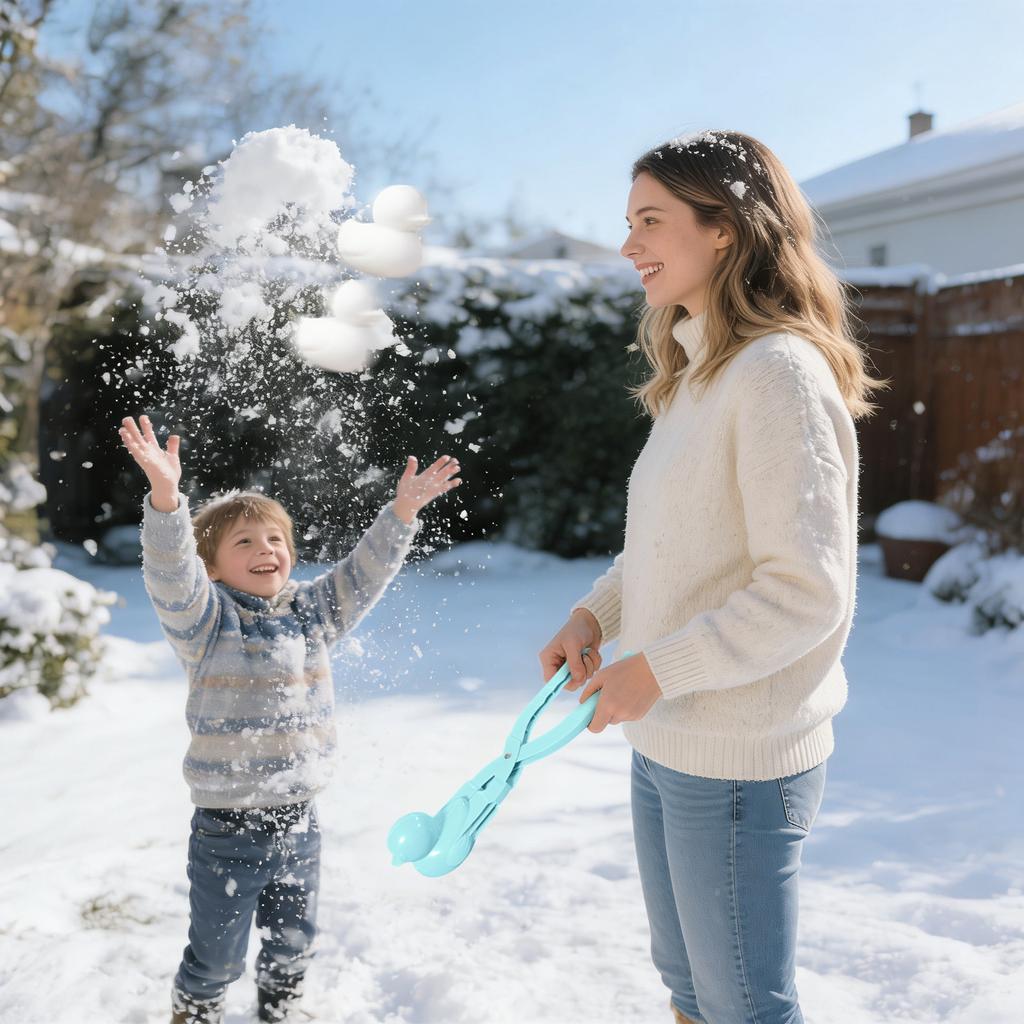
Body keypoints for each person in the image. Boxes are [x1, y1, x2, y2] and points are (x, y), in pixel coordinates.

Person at [538, 130, 885, 1024]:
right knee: (691, 990)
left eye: (650, 221)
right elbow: (672, 541)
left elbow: (805, 590)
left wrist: (655, 670)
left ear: (725, 227)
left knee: (744, 1006)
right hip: (668, 740)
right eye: (627, 223)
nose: (628, 246)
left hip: (739, 757)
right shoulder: (697, 374)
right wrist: (594, 614)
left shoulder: (776, 374)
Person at [118, 413, 461, 1024]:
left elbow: (364, 575)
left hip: (299, 817)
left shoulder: (311, 612)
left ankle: (282, 1007)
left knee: (292, 940)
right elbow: (170, 572)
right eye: (244, 542)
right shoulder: (205, 624)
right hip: (226, 826)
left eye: (274, 539)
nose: (264, 549)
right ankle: (195, 1008)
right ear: (214, 567)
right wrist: (167, 499)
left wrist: (401, 514)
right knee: (218, 954)